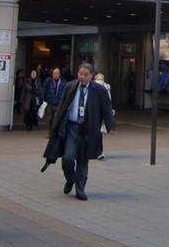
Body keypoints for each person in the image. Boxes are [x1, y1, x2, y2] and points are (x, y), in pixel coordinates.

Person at [43, 63, 115, 201]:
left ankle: (80, 189)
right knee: (68, 159)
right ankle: (70, 179)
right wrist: (55, 126)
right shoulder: (70, 86)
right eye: (80, 74)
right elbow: (62, 106)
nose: (82, 77)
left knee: (83, 160)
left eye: (85, 75)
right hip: (71, 128)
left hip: (88, 129)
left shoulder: (99, 90)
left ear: (91, 76)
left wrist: (110, 126)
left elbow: (106, 108)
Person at [41, 67, 66, 137]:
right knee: (49, 119)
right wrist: (43, 98)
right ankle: (50, 132)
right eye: (54, 73)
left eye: (57, 73)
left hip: (58, 103)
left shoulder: (63, 82)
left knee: (56, 119)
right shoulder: (48, 81)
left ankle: (54, 132)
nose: (55, 75)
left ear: (59, 74)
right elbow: (44, 89)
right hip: (49, 102)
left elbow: (65, 92)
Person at [93, 73, 112, 160]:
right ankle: (99, 151)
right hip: (101, 113)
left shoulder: (92, 86)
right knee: (99, 133)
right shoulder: (106, 87)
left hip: (93, 112)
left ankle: (96, 151)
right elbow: (109, 101)